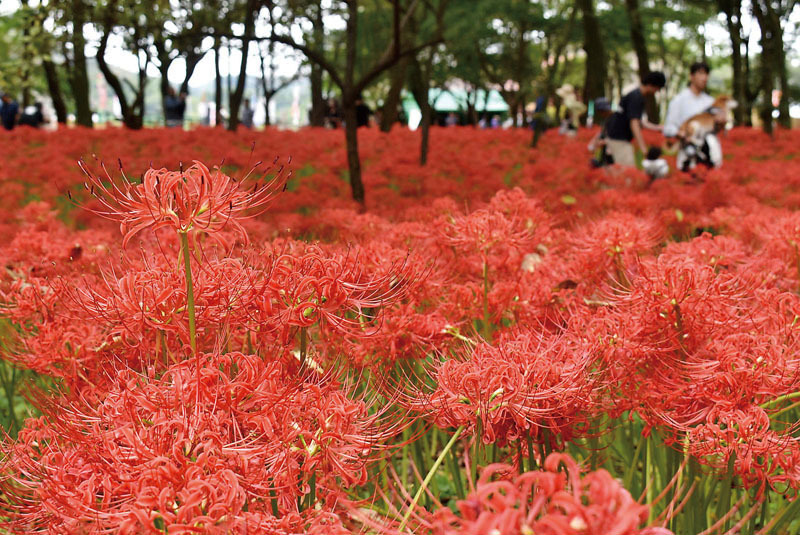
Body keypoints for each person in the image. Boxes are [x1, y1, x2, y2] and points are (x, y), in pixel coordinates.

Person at [603, 71, 666, 167]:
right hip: (619, 140)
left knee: (619, 173)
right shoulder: (636, 98)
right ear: (652, 85)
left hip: (617, 138)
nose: (656, 91)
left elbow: (640, 121)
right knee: (627, 174)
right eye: (658, 88)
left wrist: (658, 127)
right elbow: (634, 124)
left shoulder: (635, 95)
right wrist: (643, 148)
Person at [663, 62, 721, 139]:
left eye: (707, 74)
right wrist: (681, 134)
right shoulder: (679, 100)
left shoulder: (711, 102)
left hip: (710, 147)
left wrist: (721, 123)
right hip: (688, 148)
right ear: (691, 76)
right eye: (700, 73)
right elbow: (668, 128)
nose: (704, 77)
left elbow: (716, 128)